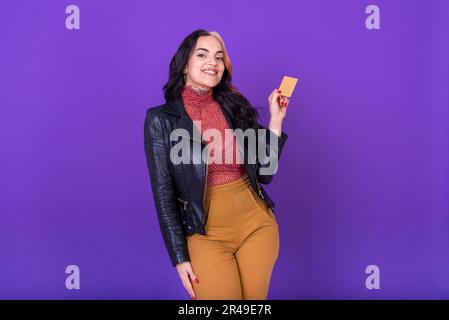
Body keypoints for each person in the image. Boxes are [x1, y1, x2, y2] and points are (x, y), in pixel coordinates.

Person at [143, 29, 290, 300]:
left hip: (256, 225)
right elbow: (163, 195)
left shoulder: (233, 107)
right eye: (202, 54)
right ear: (185, 65)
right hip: (205, 233)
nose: (213, 62)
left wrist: (276, 121)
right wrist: (179, 257)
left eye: (219, 57)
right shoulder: (161, 120)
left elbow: (265, 173)